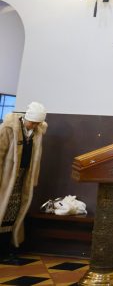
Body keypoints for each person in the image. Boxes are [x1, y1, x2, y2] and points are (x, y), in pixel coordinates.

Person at [0, 102, 48, 258]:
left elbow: (36, 158)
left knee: (13, 212)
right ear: (26, 118)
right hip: (6, 177)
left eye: (37, 123)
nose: (34, 126)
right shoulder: (9, 128)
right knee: (1, 209)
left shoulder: (37, 132)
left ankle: (6, 247)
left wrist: (33, 177)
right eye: (32, 122)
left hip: (21, 178)